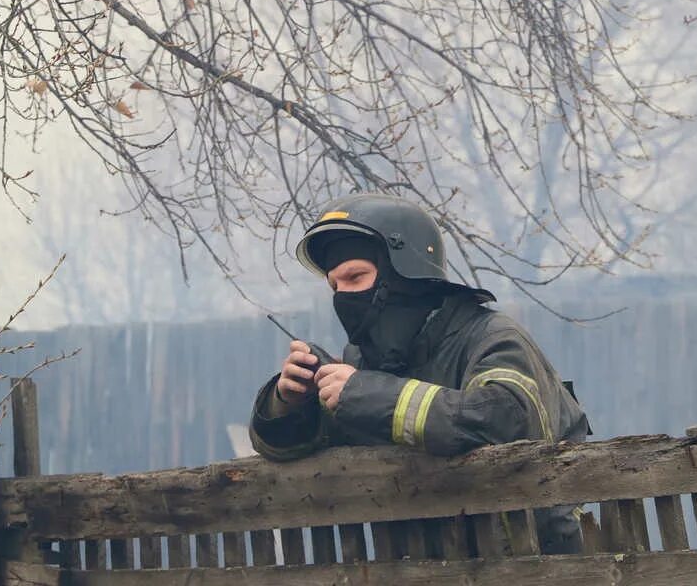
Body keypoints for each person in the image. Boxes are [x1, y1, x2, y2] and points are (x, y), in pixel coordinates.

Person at [248, 193, 590, 553]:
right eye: (335, 286)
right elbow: (297, 446)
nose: (343, 296)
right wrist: (288, 403)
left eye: (355, 277)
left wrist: (366, 395)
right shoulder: (361, 363)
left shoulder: (491, 338)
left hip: (533, 566)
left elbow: (504, 418)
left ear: (405, 274)